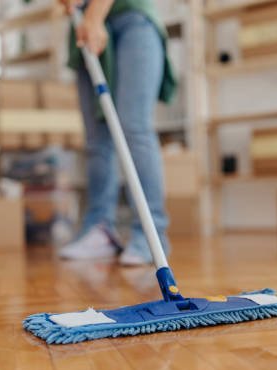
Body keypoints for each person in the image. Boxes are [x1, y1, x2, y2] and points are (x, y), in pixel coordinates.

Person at [57, 0, 177, 265]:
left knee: (134, 126)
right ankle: (99, 231)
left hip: (132, 17)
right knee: (97, 139)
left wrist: (94, 15)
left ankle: (150, 234)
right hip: (85, 23)